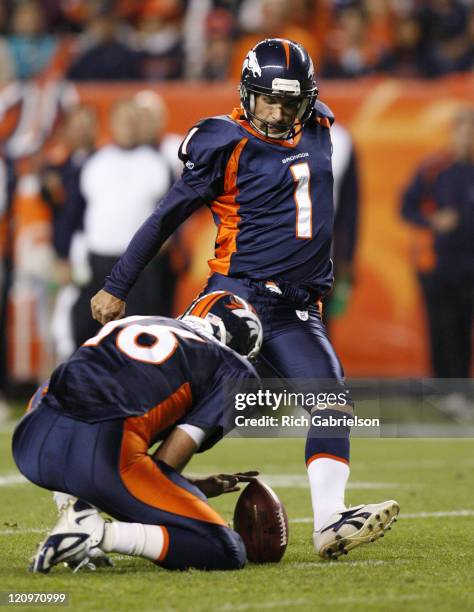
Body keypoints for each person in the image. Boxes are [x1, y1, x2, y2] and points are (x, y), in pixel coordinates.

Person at [91, 38, 399, 560]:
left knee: (330, 402)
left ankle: (329, 522)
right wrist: (117, 284)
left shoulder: (321, 123)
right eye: (267, 101)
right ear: (246, 93)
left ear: (308, 97)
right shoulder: (223, 141)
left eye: (288, 102)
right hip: (239, 297)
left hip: (298, 309)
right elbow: (165, 216)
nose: (277, 113)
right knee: (182, 402)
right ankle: (94, 499)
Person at [12, 291, 263, 573]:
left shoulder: (134, 323)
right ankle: (96, 533)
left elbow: (50, 389)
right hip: (102, 450)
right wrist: (188, 492)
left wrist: (191, 485)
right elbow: (166, 463)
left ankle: (74, 507)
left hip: (32, 443)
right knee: (226, 549)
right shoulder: (233, 369)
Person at [401, 108, 473, 387]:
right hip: (436, 264)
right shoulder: (433, 169)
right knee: (442, 328)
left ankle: (462, 390)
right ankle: (444, 387)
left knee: (464, 330)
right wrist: (432, 221)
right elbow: (406, 207)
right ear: (452, 134)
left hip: (470, 266)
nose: (467, 139)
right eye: (463, 132)